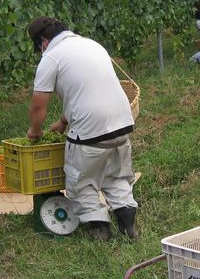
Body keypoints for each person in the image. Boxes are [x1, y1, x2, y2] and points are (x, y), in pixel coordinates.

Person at [27, 16, 139, 241]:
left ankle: (100, 229)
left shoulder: (51, 57)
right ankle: (128, 225)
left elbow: (39, 104)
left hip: (90, 132)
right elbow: (88, 90)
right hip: (122, 122)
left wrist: (35, 132)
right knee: (117, 176)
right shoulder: (91, 45)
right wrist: (64, 122)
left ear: (44, 42)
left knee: (81, 180)